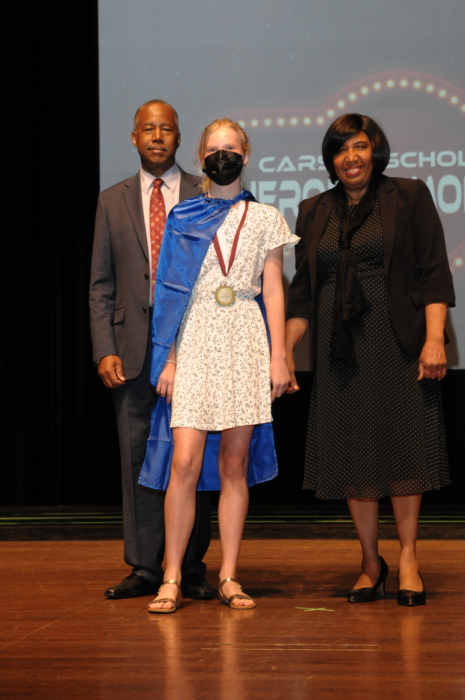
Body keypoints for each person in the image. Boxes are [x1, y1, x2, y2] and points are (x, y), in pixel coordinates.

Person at [285, 113, 455, 607]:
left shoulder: (409, 195)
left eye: (358, 146)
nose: (351, 158)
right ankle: (369, 562)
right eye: (341, 150)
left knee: (404, 446)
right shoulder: (313, 209)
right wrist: (282, 352)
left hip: (399, 341)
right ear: (331, 160)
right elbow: (302, 295)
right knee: (351, 450)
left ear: (374, 150)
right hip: (338, 348)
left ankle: (408, 558)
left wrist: (435, 339)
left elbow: (434, 273)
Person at [140, 118, 299, 613]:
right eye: (213, 149)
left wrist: (279, 356)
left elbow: (274, 291)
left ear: (245, 156)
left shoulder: (267, 217)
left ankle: (229, 575)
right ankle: (171, 576)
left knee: (234, 463)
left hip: (245, 339)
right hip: (194, 337)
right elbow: (170, 290)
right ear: (201, 157)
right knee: (184, 462)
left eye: (230, 148)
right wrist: (168, 358)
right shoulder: (183, 215)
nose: (221, 155)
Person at [89, 100, 214, 601]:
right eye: (148, 129)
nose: (157, 136)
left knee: (193, 460)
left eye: (166, 129)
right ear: (134, 138)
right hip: (132, 351)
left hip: (195, 346)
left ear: (179, 138)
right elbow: (101, 284)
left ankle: (193, 565)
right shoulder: (110, 201)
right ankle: (144, 566)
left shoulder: (206, 193)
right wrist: (104, 347)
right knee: (137, 456)